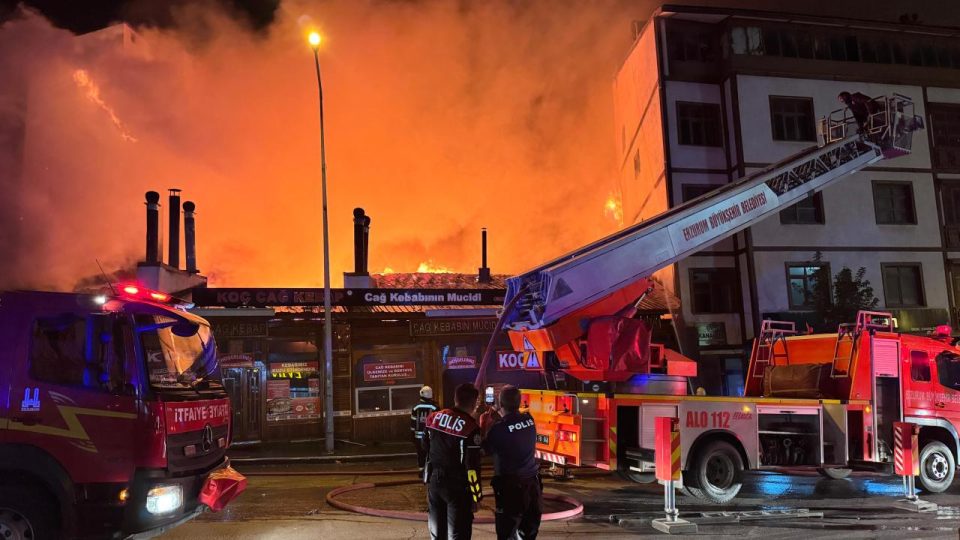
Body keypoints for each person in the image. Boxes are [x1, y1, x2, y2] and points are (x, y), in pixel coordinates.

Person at [424, 383, 483, 540]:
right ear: (474, 403)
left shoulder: (433, 418)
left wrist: (428, 481)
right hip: (458, 486)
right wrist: (476, 496)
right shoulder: (471, 428)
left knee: (437, 534)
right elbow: (472, 467)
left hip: (435, 482)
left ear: (455, 398)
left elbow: (426, 448)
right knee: (458, 534)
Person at [482, 385, 542, 540]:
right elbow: (514, 430)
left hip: (510, 487)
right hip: (532, 484)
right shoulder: (529, 420)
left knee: (506, 532)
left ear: (500, 404)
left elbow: (484, 450)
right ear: (519, 402)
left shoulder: (498, 429)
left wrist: (485, 426)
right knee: (529, 531)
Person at [411, 385, 439, 470]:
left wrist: (412, 435)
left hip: (418, 437)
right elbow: (438, 424)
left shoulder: (415, 408)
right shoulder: (435, 408)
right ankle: (431, 470)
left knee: (420, 454)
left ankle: (421, 470)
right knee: (431, 454)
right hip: (431, 437)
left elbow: (413, 423)